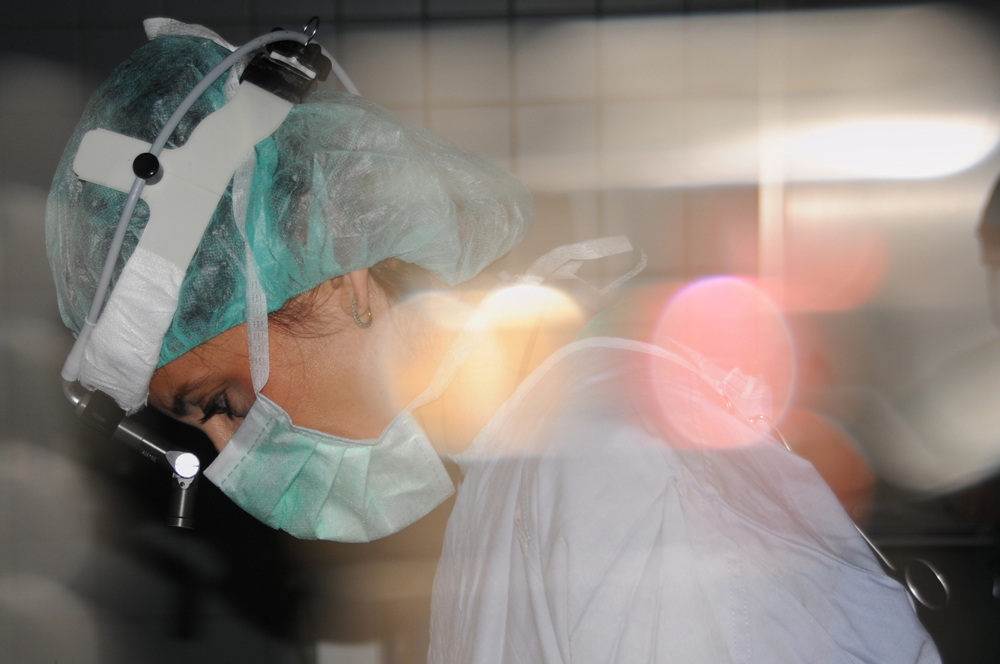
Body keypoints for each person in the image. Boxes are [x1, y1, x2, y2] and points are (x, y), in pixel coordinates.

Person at [47, 22, 940, 663]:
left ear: (336, 281)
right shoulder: (512, 476)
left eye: (222, 403)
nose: (227, 458)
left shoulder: (620, 464)